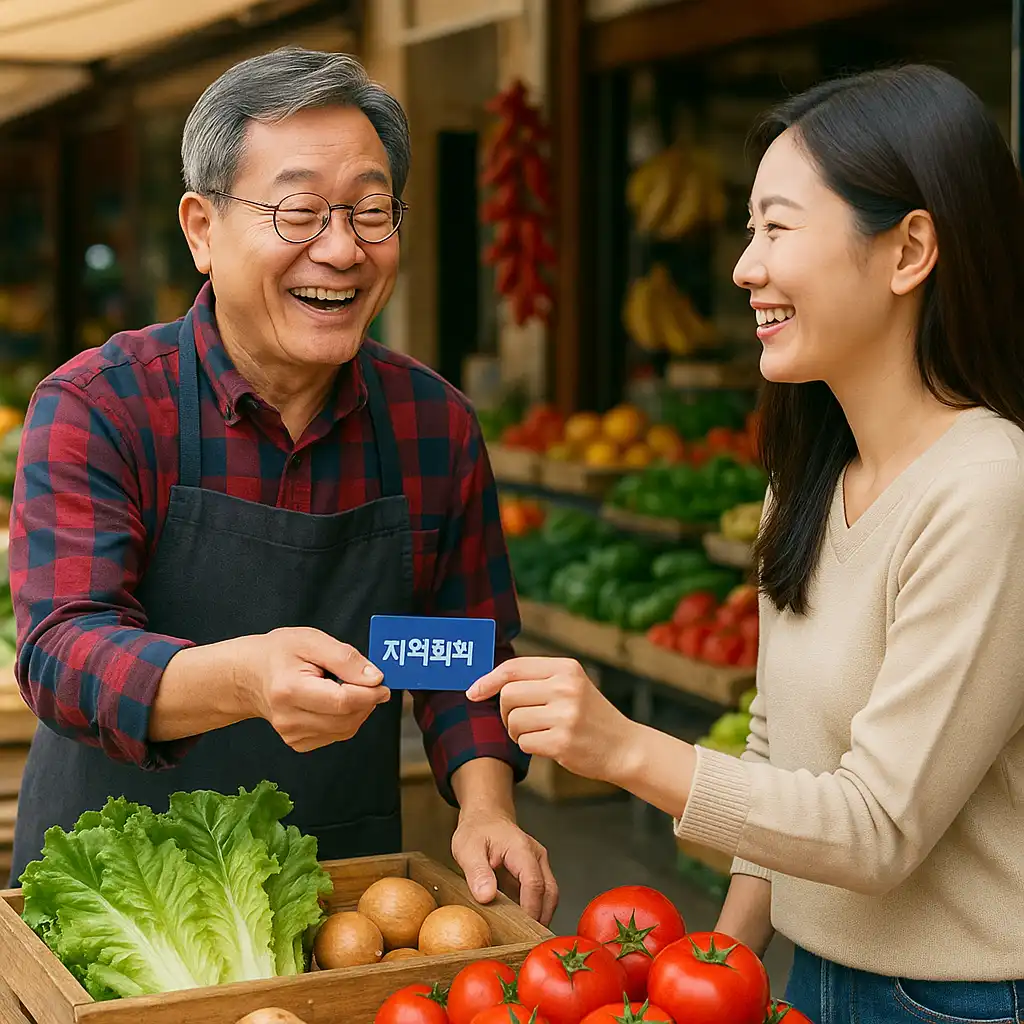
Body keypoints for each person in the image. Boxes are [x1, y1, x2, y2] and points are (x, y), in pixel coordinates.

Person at [469, 64, 1024, 1021]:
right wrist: (725, 964)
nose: (743, 267)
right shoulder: (807, 482)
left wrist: (625, 748)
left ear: (909, 250)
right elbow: (778, 757)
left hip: (956, 1001)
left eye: (777, 226)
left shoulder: (988, 491)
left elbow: (878, 828)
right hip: (810, 978)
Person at [8, 46, 558, 926]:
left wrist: (487, 804)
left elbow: (456, 652)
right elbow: (63, 651)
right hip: (116, 887)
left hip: (339, 892)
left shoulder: (432, 425)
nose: (341, 250)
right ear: (201, 228)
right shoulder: (99, 405)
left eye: (372, 212)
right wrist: (242, 680)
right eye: (300, 212)